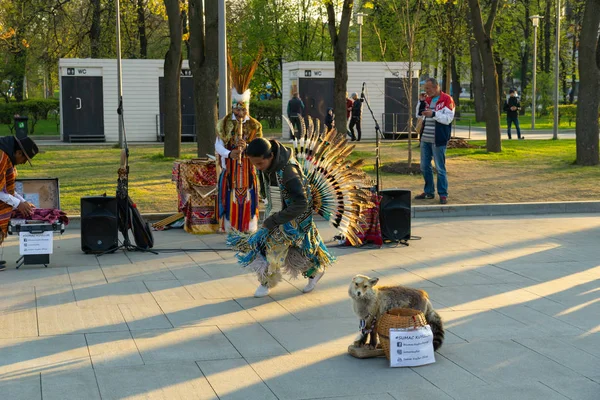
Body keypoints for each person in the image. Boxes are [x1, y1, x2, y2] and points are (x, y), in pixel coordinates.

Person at [228, 138, 335, 298]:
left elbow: (301, 204)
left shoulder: (289, 172)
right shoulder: (268, 165)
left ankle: (266, 281)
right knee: (287, 248)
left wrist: (274, 220)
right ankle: (314, 271)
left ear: (270, 156)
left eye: (259, 164)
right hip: (278, 211)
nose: (257, 167)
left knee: (270, 246)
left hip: (294, 216)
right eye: (254, 164)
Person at [215, 100, 263, 233]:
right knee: (229, 196)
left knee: (248, 196)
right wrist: (229, 153)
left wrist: (247, 146)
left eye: (243, 110)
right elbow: (218, 145)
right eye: (237, 110)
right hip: (230, 170)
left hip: (248, 169)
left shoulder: (254, 125)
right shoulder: (224, 124)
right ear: (233, 109)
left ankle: (249, 227)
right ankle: (231, 227)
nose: (240, 113)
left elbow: (260, 145)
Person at [0, 136, 39, 270]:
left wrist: (23, 202)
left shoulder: (7, 158)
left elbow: (6, 189)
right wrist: (18, 203)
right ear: (18, 153)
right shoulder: (1, 158)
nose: (23, 163)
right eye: (24, 159)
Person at [415, 78, 455, 205]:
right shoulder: (427, 99)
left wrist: (433, 114)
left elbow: (448, 119)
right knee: (424, 166)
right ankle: (429, 191)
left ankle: (443, 193)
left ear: (436, 87)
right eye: (425, 88)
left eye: (428, 88)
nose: (426, 91)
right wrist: (421, 102)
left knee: (440, 167)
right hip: (425, 138)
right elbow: (418, 115)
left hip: (438, 139)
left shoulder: (447, 99)